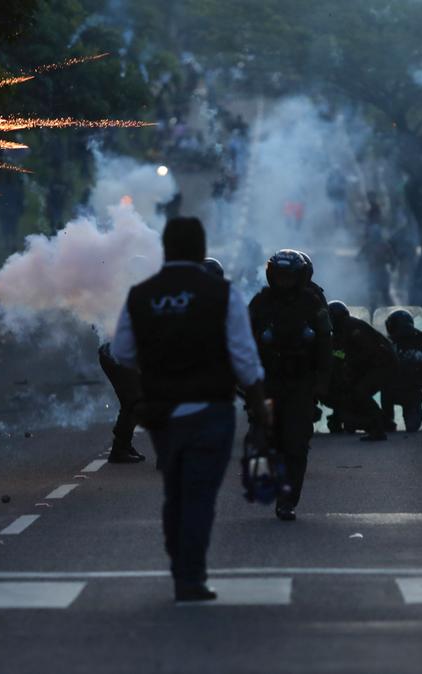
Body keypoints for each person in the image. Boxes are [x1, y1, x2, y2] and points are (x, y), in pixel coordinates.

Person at [110, 217, 269, 602]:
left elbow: (121, 353)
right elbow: (245, 359)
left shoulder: (141, 295)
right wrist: (260, 403)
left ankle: (179, 564)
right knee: (199, 496)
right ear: (200, 250)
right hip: (210, 409)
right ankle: (190, 574)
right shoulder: (221, 293)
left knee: (175, 493)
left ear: (166, 248)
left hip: (163, 413)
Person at [248, 249, 332, 522]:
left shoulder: (313, 303)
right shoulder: (260, 303)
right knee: (263, 440)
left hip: (300, 383)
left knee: (296, 444)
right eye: (279, 276)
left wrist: (322, 381)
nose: (284, 282)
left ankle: (288, 500)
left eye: (289, 277)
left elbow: (325, 343)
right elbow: (245, 343)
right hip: (268, 382)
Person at [322, 302, 395, 440]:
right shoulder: (340, 330)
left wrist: (347, 366)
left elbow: (366, 354)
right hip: (373, 365)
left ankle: (379, 428)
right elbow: (339, 353)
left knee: (360, 392)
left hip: (382, 365)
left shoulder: (354, 329)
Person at [382, 310, 422, 432]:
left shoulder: (415, 343)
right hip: (396, 390)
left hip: (409, 391)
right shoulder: (391, 345)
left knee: (412, 423)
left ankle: (388, 421)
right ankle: (387, 421)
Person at [97, 342, 145, 464]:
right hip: (116, 356)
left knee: (133, 400)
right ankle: (119, 450)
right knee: (133, 400)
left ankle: (123, 446)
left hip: (120, 355)